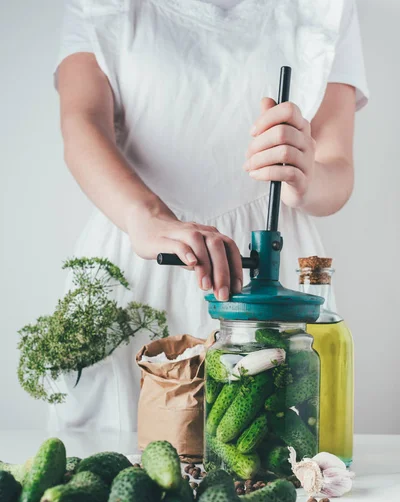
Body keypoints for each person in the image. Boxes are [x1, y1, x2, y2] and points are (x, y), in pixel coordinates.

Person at [49, 0, 368, 431]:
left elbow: (338, 172)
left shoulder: (326, 8)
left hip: (272, 290)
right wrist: (147, 217)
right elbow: (81, 123)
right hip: (137, 259)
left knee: (277, 462)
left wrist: (305, 172)